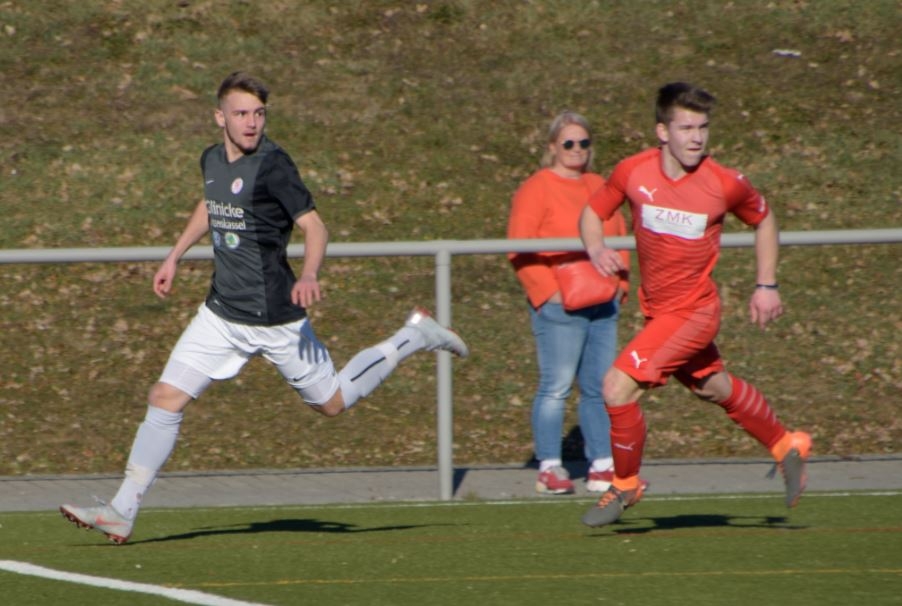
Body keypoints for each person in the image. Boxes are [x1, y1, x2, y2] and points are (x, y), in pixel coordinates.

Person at [59, 72, 469, 544]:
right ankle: (121, 510)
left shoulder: (274, 166)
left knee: (332, 403)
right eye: (241, 113)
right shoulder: (212, 159)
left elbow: (315, 227)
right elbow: (211, 203)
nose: (251, 122)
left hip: (275, 319)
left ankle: (414, 335)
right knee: (165, 398)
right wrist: (174, 256)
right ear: (220, 118)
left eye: (258, 113)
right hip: (220, 315)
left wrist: (309, 274)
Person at [578, 82, 811, 527]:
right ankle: (786, 444)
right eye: (686, 128)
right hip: (658, 310)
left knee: (616, 387)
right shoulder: (633, 171)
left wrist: (766, 284)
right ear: (662, 131)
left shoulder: (724, 183)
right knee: (712, 387)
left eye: (703, 127)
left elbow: (764, 219)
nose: (697, 138)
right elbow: (594, 210)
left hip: (694, 313)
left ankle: (625, 484)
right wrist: (595, 248)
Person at [507, 111, 630, 495]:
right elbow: (519, 246)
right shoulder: (536, 188)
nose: (577, 149)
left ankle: (602, 464)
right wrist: (547, 293)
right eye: (569, 143)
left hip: (603, 302)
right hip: (560, 304)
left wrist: (621, 284)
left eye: (584, 142)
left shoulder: (600, 185)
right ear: (552, 147)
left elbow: (620, 235)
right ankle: (550, 466)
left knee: (599, 386)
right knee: (556, 385)